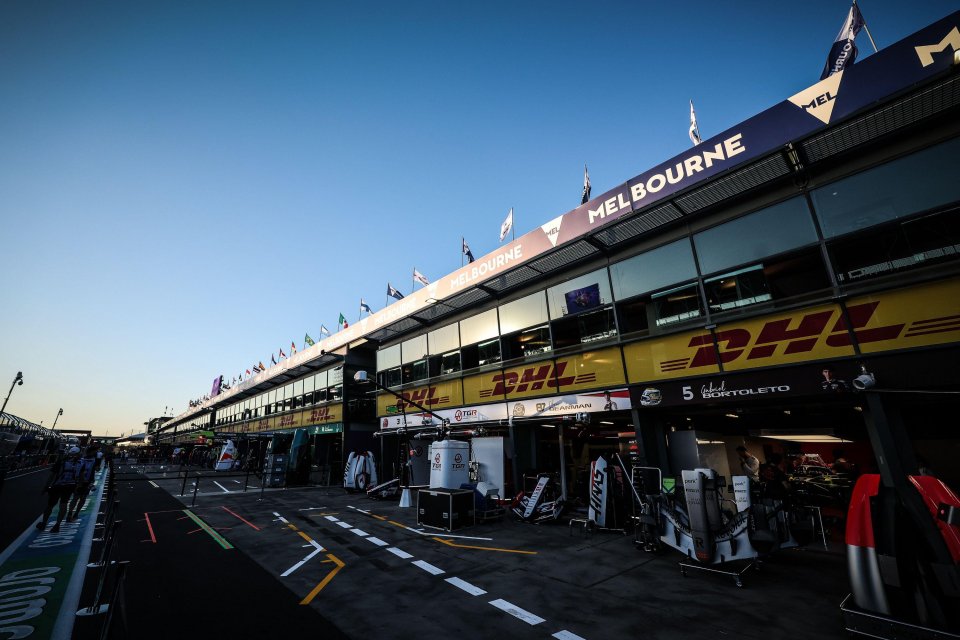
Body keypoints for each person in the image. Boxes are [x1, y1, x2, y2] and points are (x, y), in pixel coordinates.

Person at [37, 446, 83, 533]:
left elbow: (52, 476)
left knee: (50, 505)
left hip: (58, 485)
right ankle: (57, 525)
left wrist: (46, 486)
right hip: (70, 486)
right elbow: (81, 477)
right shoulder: (80, 463)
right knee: (63, 504)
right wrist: (78, 487)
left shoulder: (61, 462)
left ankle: (44, 523)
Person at [66, 447, 98, 522]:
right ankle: (72, 513)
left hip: (84, 481)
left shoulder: (84, 459)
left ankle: (74, 513)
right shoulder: (83, 459)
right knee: (79, 498)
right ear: (90, 452)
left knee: (79, 498)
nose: (94, 453)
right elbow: (94, 470)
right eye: (93, 451)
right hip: (82, 481)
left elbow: (94, 470)